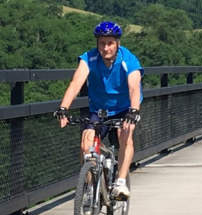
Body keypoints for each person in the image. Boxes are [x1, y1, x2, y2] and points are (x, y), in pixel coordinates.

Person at [54, 21, 143, 199]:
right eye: (102, 43)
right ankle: (88, 188)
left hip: (125, 108)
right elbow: (75, 83)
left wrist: (133, 111)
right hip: (99, 108)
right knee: (85, 144)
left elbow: (134, 86)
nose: (105, 48)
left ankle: (120, 182)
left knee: (124, 135)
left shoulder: (128, 59)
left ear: (117, 43)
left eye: (110, 43)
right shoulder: (89, 58)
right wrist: (63, 108)